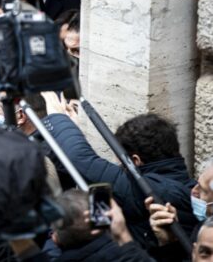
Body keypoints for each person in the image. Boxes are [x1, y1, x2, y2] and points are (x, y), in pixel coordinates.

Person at [41, 95, 197, 248]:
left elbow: (80, 159)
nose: (118, 167)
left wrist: (58, 117)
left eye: (120, 162)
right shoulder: (184, 186)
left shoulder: (149, 190)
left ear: (135, 161)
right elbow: (97, 190)